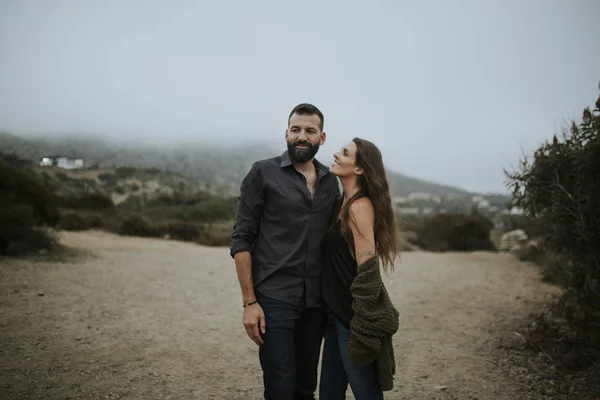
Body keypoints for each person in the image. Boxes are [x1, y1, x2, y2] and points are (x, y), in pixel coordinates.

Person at [230, 103, 340, 400]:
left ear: (322, 137)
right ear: (286, 134)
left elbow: (336, 243)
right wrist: (249, 302)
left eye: (310, 131)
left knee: (305, 389)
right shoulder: (263, 172)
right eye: (296, 130)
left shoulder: (332, 181)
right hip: (274, 300)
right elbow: (241, 238)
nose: (302, 136)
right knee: (280, 389)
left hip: (316, 303)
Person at [319, 137, 400, 400]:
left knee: (366, 393)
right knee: (330, 393)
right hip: (335, 314)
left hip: (351, 317)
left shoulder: (359, 207)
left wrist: (363, 321)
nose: (336, 155)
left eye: (344, 153)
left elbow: (367, 267)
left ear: (359, 168)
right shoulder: (342, 204)